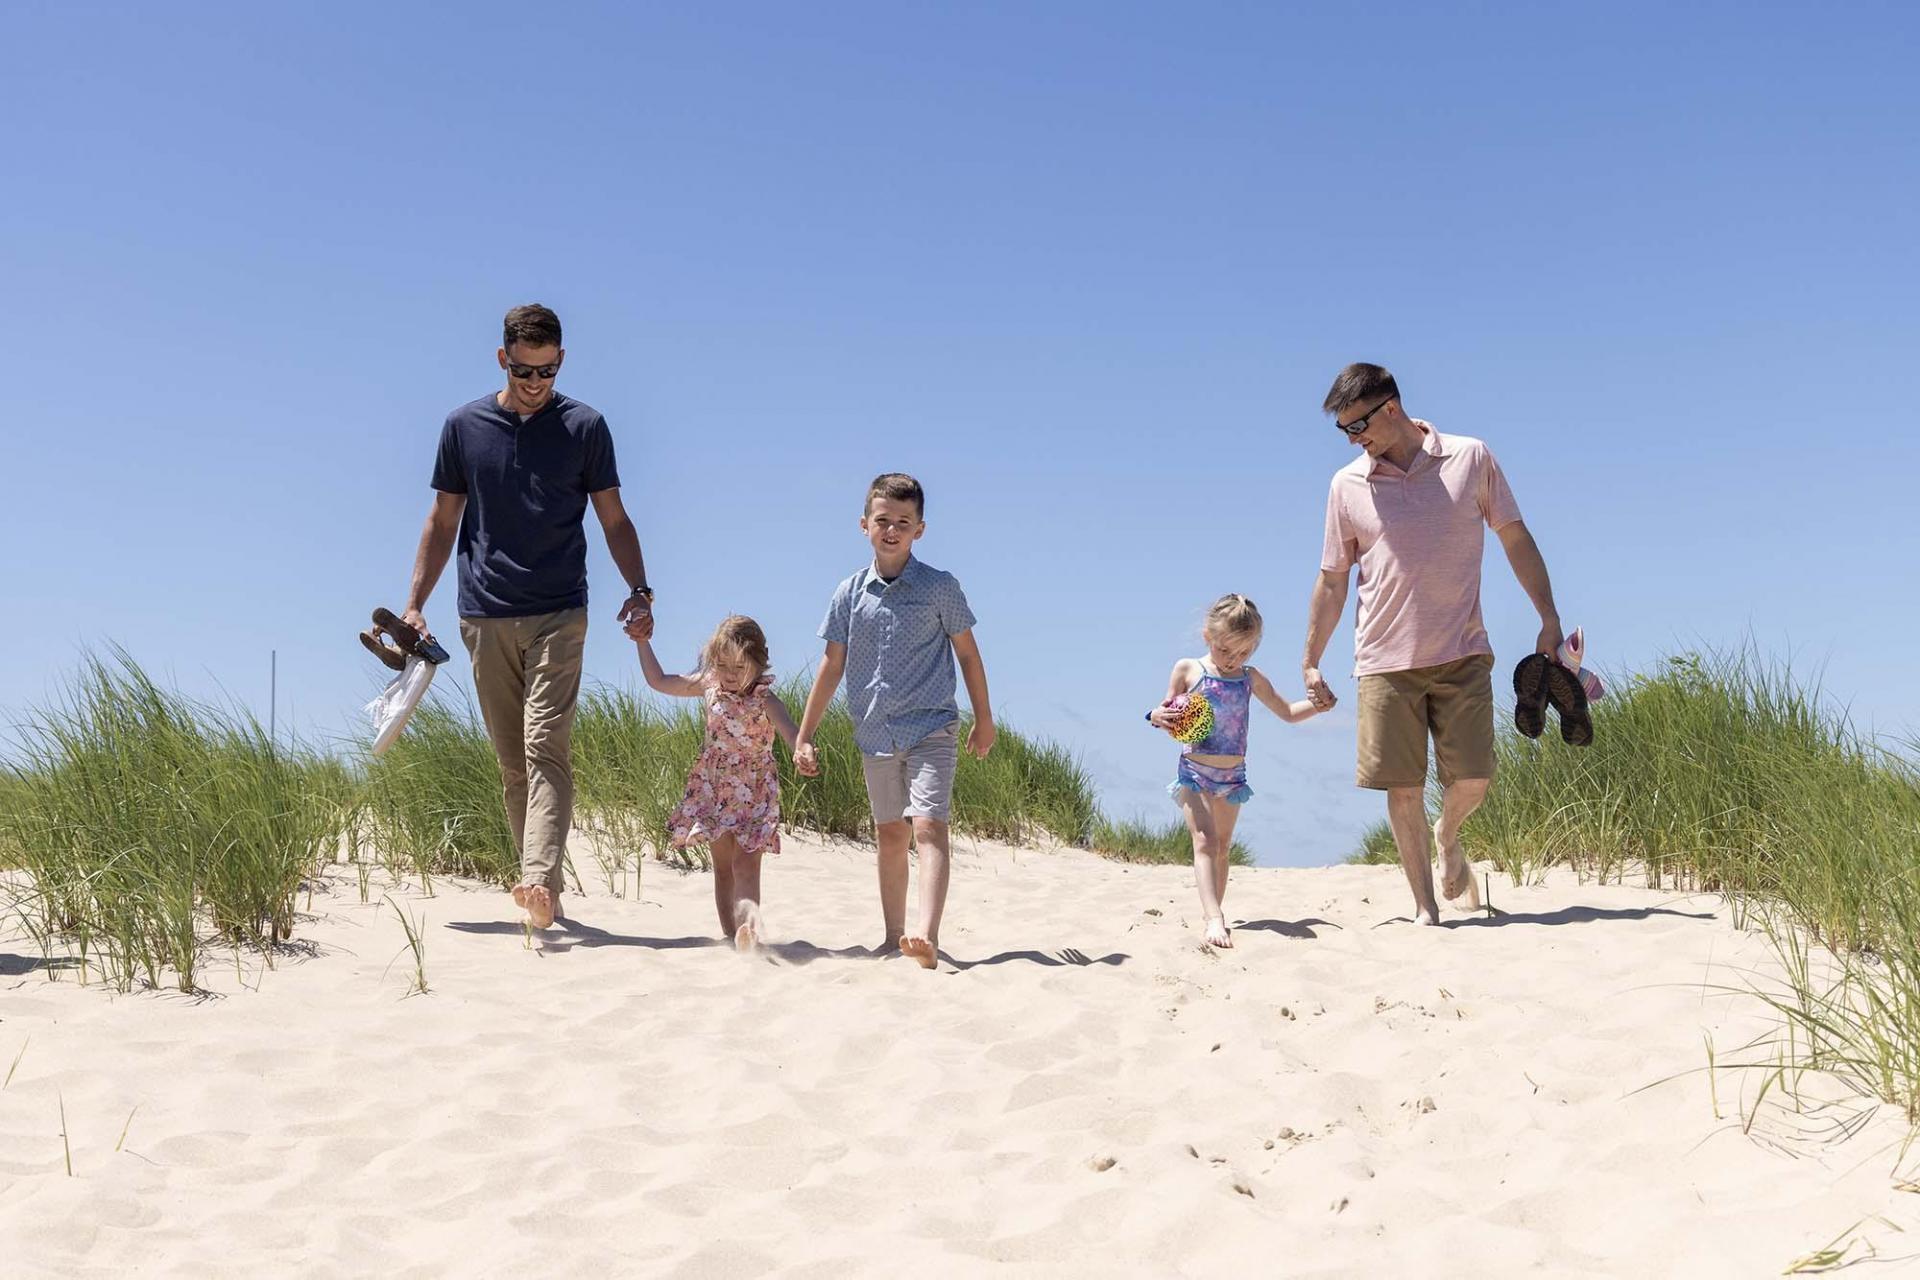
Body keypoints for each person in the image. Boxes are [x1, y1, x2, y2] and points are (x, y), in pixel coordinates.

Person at [401, 303, 655, 931]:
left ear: (561, 360)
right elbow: (442, 521)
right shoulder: (463, 427)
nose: (535, 383)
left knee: (546, 745)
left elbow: (614, 518)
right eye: (522, 371)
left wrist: (640, 589)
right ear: (502, 359)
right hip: (483, 614)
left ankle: (536, 879)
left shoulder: (586, 427)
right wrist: (413, 603)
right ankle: (545, 886)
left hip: (560, 610)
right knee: (513, 762)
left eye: (545, 371)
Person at [1301, 363, 1565, 926]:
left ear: (1390, 408)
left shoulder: (1470, 457)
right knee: (1402, 787)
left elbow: (1514, 537)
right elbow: (1332, 578)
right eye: (1344, 430)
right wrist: (1311, 658)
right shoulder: (1346, 485)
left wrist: (1548, 614)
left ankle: (1448, 834)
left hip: (1462, 650)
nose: (1353, 439)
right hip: (1383, 660)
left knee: (1474, 776)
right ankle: (1425, 907)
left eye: (1358, 425)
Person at [792, 473, 995, 969]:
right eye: (883, 520)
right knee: (889, 834)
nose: (892, 530)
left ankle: (926, 933)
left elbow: (968, 655)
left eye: (903, 522)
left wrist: (983, 718)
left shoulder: (940, 588)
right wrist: (804, 734)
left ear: (919, 530)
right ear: (864, 525)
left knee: (929, 826)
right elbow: (831, 664)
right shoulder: (848, 593)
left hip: (931, 725)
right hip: (874, 730)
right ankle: (893, 936)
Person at [1148, 594, 1325, 949]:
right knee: (1205, 841)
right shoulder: (1188, 670)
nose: (1233, 660)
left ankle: (1214, 909)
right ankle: (1215, 918)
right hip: (1194, 770)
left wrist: (1319, 706)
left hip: (1232, 774)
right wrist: (1154, 716)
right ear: (1207, 637)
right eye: (1226, 651)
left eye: (1244, 653)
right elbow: (1165, 713)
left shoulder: (1249, 678)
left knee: (1223, 847)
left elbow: (1288, 711)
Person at [637, 616, 799, 952]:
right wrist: (642, 641)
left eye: (739, 665)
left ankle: (749, 933)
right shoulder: (709, 686)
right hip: (715, 790)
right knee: (723, 868)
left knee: (746, 862)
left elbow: (792, 733)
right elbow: (659, 680)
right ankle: (731, 938)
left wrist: (804, 749)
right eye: (722, 663)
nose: (729, 673)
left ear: (759, 660)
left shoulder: (766, 700)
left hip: (754, 792)